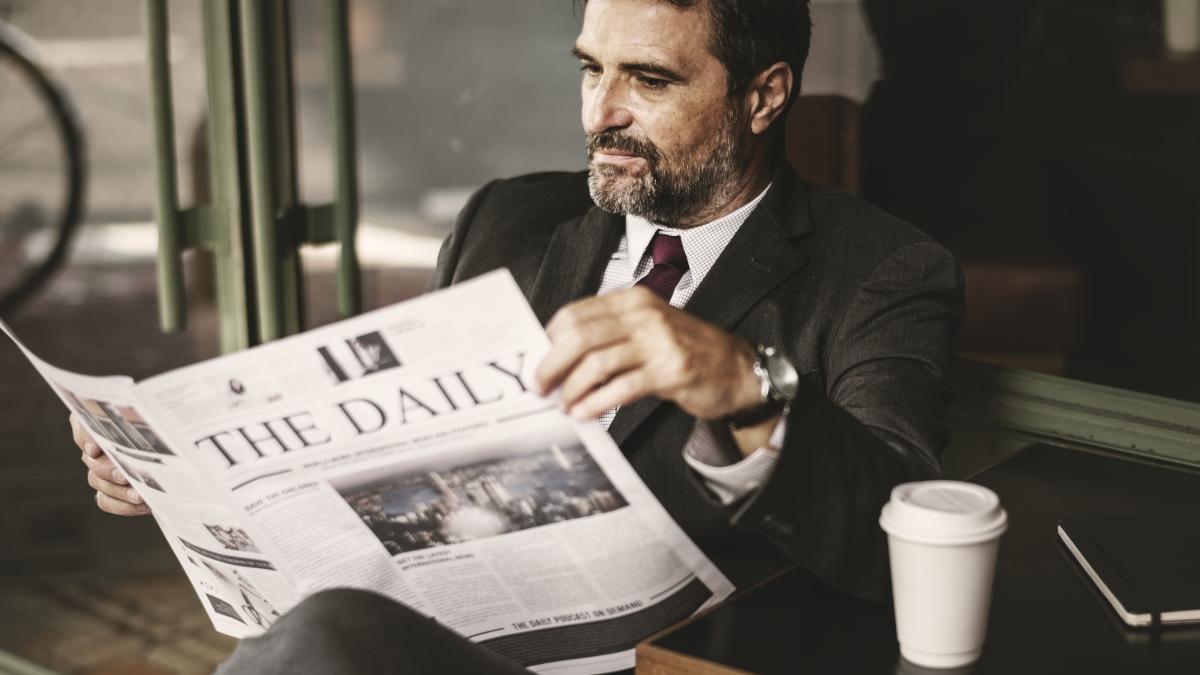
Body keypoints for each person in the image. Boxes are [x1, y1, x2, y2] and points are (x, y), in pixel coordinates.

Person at [71, 0, 963, 671]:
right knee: (322, 631)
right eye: (590, 69)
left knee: (326, 637)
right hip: (449, 638)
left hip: (654, 663)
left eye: (649, 80)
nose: (601, 112)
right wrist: (189, 475)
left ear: (764, 96)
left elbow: (899, 542)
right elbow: (390, 444)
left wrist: (746, 389)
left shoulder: (879, 270)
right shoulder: (504, 220)